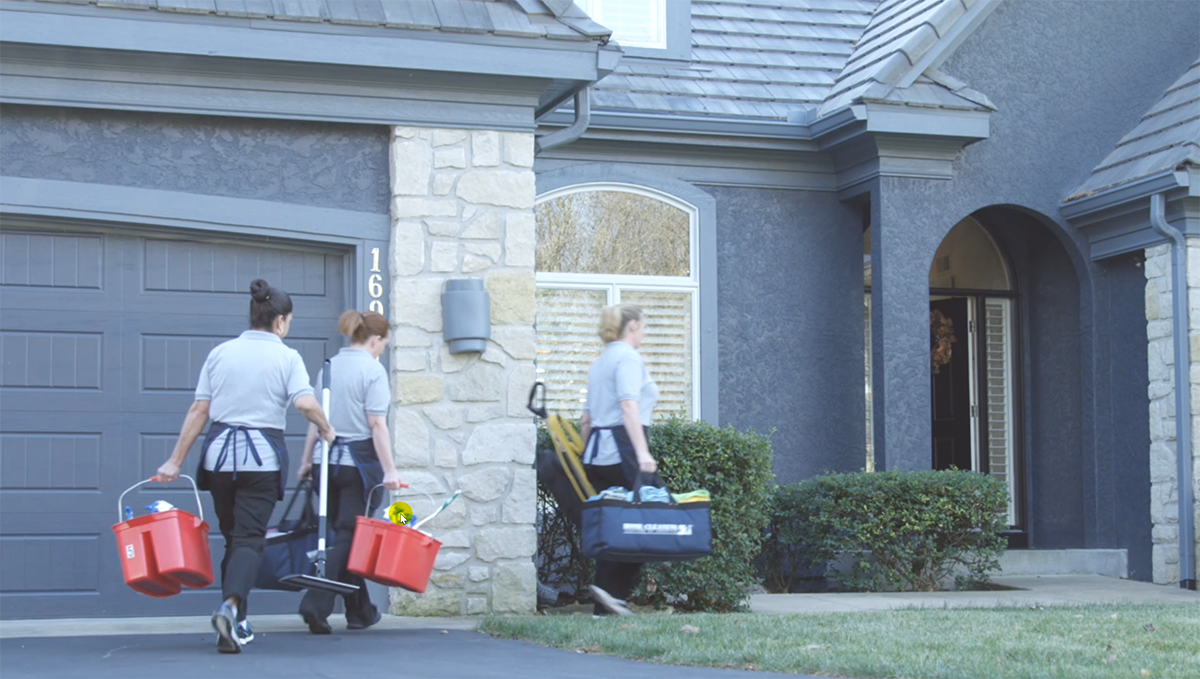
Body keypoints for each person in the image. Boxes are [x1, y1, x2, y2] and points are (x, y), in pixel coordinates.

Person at [156, 279, 335, 654]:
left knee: (234, 539)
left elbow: (199, 410)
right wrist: (325, 426)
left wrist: (174, 461)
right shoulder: (287, 357)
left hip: (219, 458)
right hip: (261, 460)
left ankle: (236, 623)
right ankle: (232, 606)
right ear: (281, 322)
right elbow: (304, 403)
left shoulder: (220, 353)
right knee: (250, 539)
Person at [296, 310, 403, 634]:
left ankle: (360, 611)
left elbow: (317, 419)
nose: (383, 349)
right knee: (349, 536)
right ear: (375, 339)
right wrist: (390, 469)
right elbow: (376, 425)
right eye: (384, 343)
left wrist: (305, 461)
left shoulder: (329, 366)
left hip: (324, 461)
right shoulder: (372, 371)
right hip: (355, 464)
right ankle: (316, 602)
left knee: (343, 535)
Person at [580, 304, 660, 617]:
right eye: (642, 327)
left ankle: (605, 603)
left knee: (614, 524)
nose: (643, 333)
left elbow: (586, 420)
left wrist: (589, 455)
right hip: (624, 451)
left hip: (598, 453)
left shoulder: (599, 362)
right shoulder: (628, 358)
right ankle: (617, 594)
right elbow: (629, 406)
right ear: (632, 327)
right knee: (645, 521)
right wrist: (643, 454)